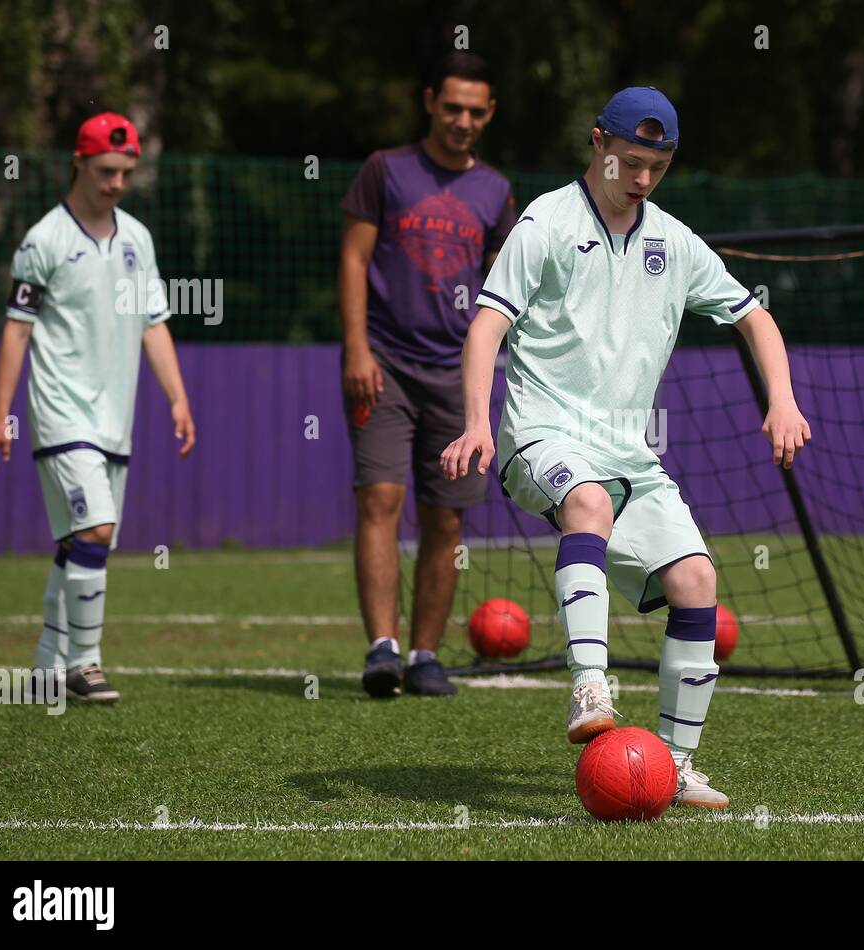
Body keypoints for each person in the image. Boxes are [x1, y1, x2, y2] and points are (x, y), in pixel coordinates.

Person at [441, 87, 811, 806]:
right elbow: (486, 326)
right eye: (631, 162)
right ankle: (588, 685)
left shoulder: (674, 242)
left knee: (698, 581)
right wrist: (478, 421)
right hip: (539, 433)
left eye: (658, 166)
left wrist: (784, 400)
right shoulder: (544, 223)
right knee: (585, 501)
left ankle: (673, 767)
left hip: (628, 455)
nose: (642, 179)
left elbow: (755, 317)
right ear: (599, 144)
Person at [0, 112, 196, 703]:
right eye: (106, 171)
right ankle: (85, 665)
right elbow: (16, 332)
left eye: (125, 172)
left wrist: (177, 399)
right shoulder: (43, 240)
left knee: (80, 541)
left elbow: (155, 324)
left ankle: (48, 666)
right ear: (78, 162)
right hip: (59, 412)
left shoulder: (138, 239)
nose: (116, 183)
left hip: (114, 420)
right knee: (95, 529)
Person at [339, 52, 517, 697]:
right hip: (382, 363)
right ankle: (382, 650)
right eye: (452, 107)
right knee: (380, 499)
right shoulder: (385, 170)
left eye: (475, 110)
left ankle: (424, 656)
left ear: (488, 113)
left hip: (455, 374)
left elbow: (504, 286)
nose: (462, 120)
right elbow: (354, 261)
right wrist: (356, 349)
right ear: (430, 103)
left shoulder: (496, 191)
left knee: (446, 520)